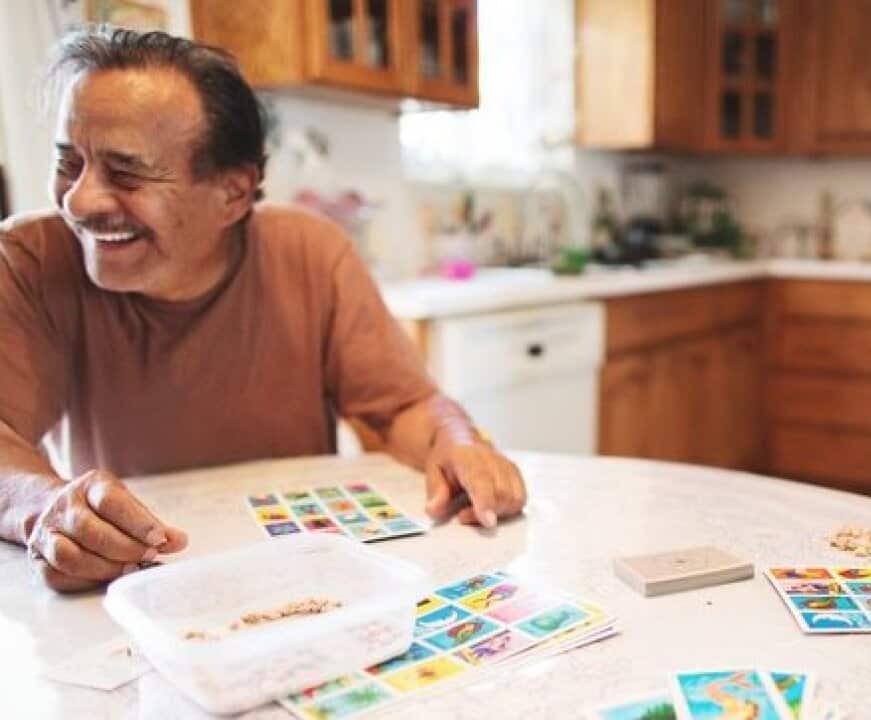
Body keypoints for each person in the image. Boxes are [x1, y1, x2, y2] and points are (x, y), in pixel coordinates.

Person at [0, 27, 526, 593]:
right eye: (68, 162)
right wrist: (45, 505)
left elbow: (402, 407)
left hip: (299, 579)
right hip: (133, 588)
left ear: (233, 193)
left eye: (125, 173)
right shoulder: (29, 260)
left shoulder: (311, 252)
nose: (79, 200)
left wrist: (459, 439)